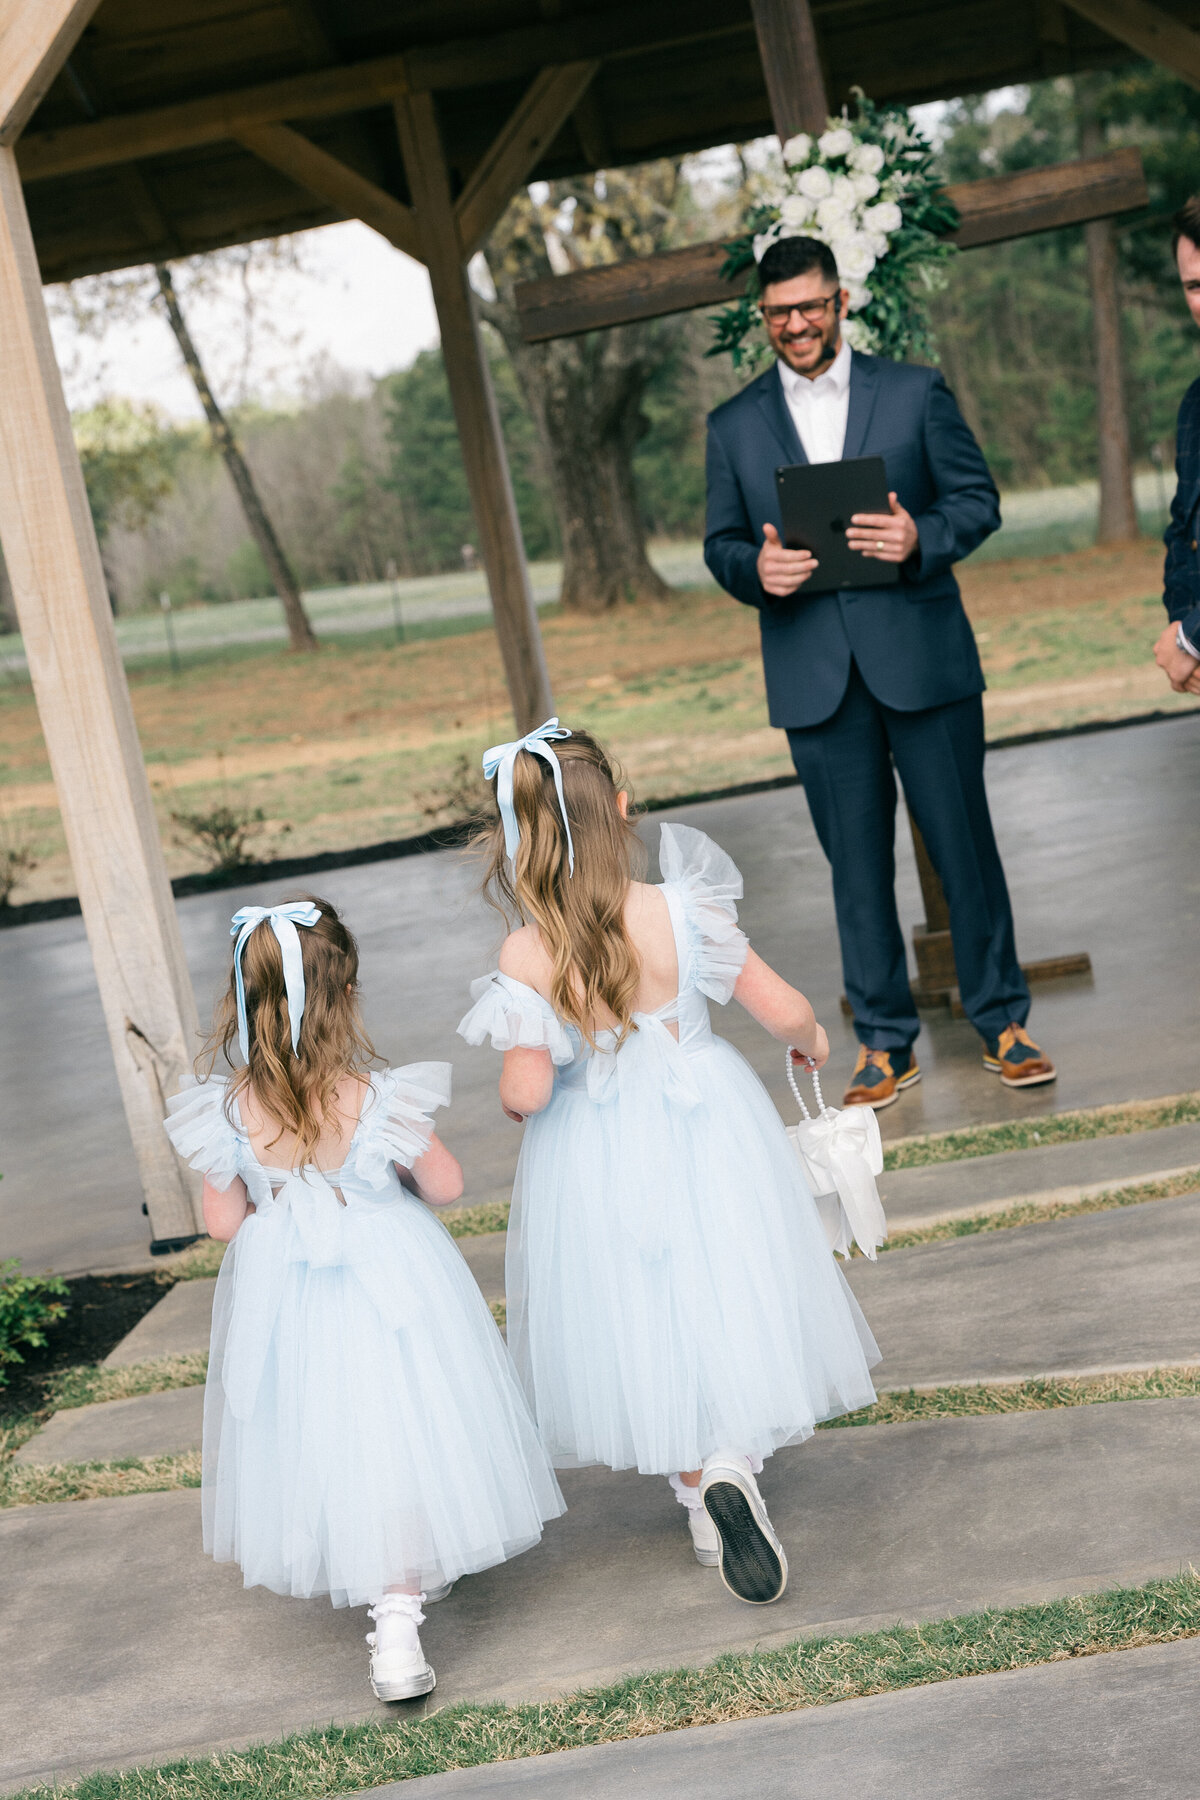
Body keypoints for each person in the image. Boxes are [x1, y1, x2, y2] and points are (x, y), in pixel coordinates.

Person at [457, 720, 879, 1607]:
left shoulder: (527, 953)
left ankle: (697, 1494)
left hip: (596, 1146)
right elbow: (783, 1008)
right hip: (709, 1121)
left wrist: (521, 1082)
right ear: (621, 809)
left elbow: (527, 1094)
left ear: (522, 843)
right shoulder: (684, 909)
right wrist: (812, 1039)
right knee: (729, 1282)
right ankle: (731, 1462)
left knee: (644, 1310)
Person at [164, 897, 563, 1703]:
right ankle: (398, 1620)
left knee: (334, 1431)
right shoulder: (374, 1097)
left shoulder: (231, 1109)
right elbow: (446, 1185)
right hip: (393, 1280)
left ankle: (392, 1588)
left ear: (245, 1005)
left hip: (290, 1295)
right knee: (406, 1425)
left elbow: (220, 1222)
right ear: (345, 996)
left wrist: (269, 1195)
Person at [704, 235, 1056, 1109]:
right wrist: (757, 571)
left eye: (812, 306)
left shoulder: (914, 390)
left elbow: (977, 501)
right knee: (854, 868)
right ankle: (883, 1043)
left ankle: (1002, 1021)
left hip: (924, 661)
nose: (797, 324)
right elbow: (720, 543)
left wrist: (917, 541)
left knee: (963, 847)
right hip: (815, 676)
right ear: (763, 317)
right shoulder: (733, 425)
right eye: (780, 312)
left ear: (841, 301)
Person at [1154, 196, 1200, 701]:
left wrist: (1192, 639)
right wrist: (1181, 631)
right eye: (1194, 286)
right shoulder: (1194, 405)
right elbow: (1182, 534)